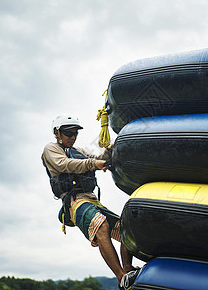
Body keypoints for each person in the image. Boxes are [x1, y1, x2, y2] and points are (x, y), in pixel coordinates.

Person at [41, 115, 140, 290]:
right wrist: (94, 163)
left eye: (74, 134)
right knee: (100, 225)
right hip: (74, 201)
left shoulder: (79, 150)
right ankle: (121, 277)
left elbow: (99, 158)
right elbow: (66, 165)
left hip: (92, 199)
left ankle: (128, 269)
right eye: (67, 133)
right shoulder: (51, 149)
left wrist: (111, 149)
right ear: (57, 132)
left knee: (126, 228)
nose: (72, 137)